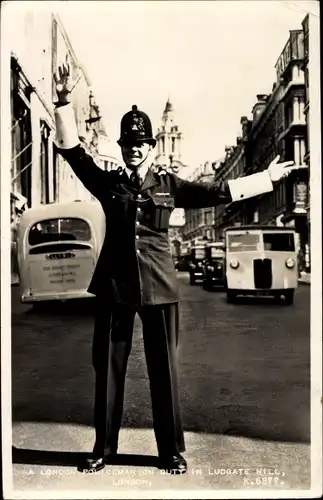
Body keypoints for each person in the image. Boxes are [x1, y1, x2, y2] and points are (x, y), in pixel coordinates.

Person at [53, 62, 296, 475]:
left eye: (140, 143)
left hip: (160, 287)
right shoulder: (110, 182)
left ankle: (170, 451)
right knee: (107, 369)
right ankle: (103, 448)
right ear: (123, 146)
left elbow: (218, 191)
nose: (133, 148)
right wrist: (61, 104)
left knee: (163, 371)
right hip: (114, 286)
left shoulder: (167, 184)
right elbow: (76, 156)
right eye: (127, 143)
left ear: (150, 146)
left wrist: (267, 179)